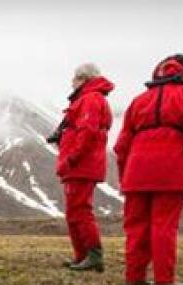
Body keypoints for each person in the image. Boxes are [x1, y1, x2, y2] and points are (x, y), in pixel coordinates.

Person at [113, 53, 183, 285]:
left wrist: (125, 177)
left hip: (136, 172)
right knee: (164, 226)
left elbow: (121, 147)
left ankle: (134, 277)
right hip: (172, 171)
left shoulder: (138, 101)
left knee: (136, 227)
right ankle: (164, 280)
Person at [51, 63, 115, 272]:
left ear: (84, 79)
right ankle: (82, 255)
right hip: (78, 164)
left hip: (81, 164)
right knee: (74, 211)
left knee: (81, 210)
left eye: (75, 78)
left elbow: (87, 132)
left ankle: (94, 256)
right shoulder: (88, 99)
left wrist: (72, 157)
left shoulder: (91, 99)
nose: (72, 82)